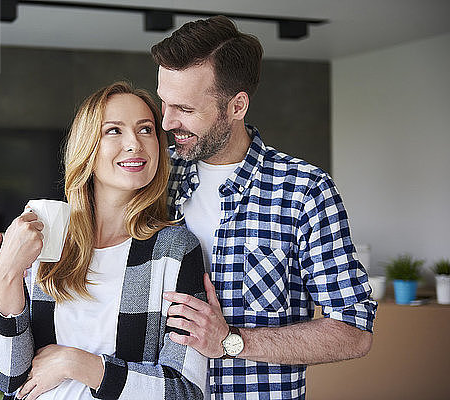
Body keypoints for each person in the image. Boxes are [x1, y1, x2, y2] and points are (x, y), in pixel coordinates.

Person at [150, 16, 377, 399]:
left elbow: (353, 332)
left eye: (184, 108)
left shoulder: (304, 191)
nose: (166, 120)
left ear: (237, 106)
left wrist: (231, 340)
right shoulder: (154, 179)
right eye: (164, 102)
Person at [0, 82, 207, 400]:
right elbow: (6, 377)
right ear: (87, 145)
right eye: (114, 130)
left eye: (146, 129)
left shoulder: (174, 251)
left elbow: (185, 392)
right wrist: (7, 276)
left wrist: (74, 363)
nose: (134, 144)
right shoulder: (43, 237)